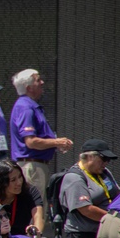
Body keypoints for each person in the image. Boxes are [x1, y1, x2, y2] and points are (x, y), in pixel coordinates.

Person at [9, 68, 72, 196]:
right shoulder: (25, 107)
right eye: (38, 80)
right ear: (29, 88)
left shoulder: (31, 106)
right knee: (35, 211)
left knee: (38, 209)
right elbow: (31, 142)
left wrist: (55, 144)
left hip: (35, 166)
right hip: (31, 167)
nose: (42, 82)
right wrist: (57, 142)